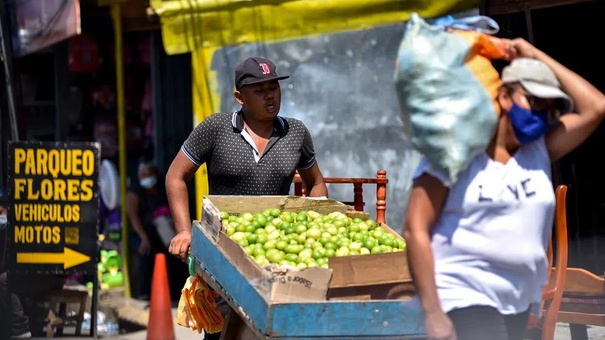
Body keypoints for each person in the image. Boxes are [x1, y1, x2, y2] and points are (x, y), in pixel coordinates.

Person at [403, 38, 605, 340]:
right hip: (463, 292)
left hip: (519, 300)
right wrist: (433, 313)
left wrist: (534, 54)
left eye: (549, 108)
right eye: (533, 100)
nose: (541, 113)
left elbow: (597, 106)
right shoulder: (456, 151)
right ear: (504, 96)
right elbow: (415, 228)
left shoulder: (538, 149)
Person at [165, 56, 328, 339]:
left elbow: (317, 184)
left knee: (271, 328)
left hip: (275, 249)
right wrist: (182, 231)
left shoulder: (296, 133)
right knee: (225, 328)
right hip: (223, 248)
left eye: (273, 88)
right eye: (260, 90)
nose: (270, 95)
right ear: (240, 97)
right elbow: (175, 177)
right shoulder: (216, 128)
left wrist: (313, 224)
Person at [125, 162, 170, 300]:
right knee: (144, 256)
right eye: (143, 175)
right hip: (141, 232)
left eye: (149, 174)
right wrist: (144, 238)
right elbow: (133, 217)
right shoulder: (135, 194)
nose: (146, 178)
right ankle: (143, 293)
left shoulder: (162, 190)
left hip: (161, 232)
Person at [0, 190, 32, 339]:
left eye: (1, 210)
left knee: (5, 280)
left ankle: (20, 327)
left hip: (40, 274)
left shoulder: (22, 224)